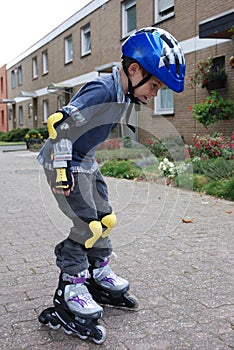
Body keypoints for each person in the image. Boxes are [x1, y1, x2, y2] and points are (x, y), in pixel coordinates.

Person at [38, 27, 185, 343]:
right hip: (65, 162)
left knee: (106, 219)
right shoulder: (103, 90)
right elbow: (59, 124)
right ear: (134, 71)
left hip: (86, 161)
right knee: (86, 226)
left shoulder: (125, 94)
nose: (155, 93)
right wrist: (63, 172)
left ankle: (98, 272)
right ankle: (72, 286)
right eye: (155, 85)